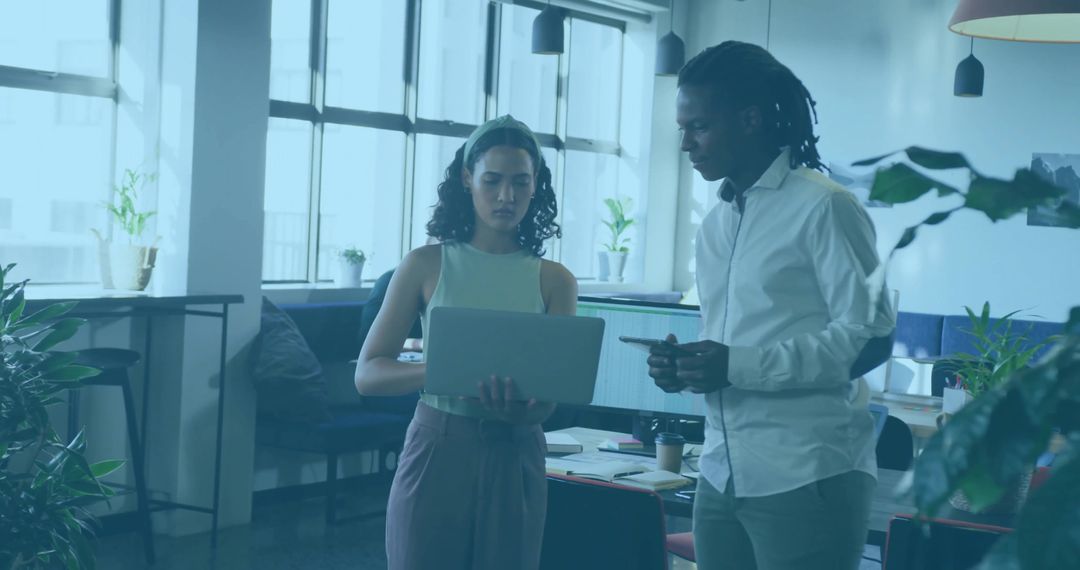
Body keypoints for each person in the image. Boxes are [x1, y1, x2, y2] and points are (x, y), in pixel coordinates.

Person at [646, 41, 896, 570]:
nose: (687, 144)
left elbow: (873, 337)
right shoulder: (715, 224)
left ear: (751, 120)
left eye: (699, 127)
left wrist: (733, 365)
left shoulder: (826, 206)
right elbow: (729, 340)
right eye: (682, 129)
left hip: (808, 472)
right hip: (719, 471)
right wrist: (685, 367)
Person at [354, 115, 577, 570]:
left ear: (536, 187)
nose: (506, 196)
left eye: (520, 182)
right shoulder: (424, 264)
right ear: (467, 179)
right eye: (492, 180)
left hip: (516, 448)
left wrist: (525, 411)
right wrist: (446, 371)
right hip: (438, 445)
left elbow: (550, 398)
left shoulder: (555, 280)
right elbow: (368, 374)